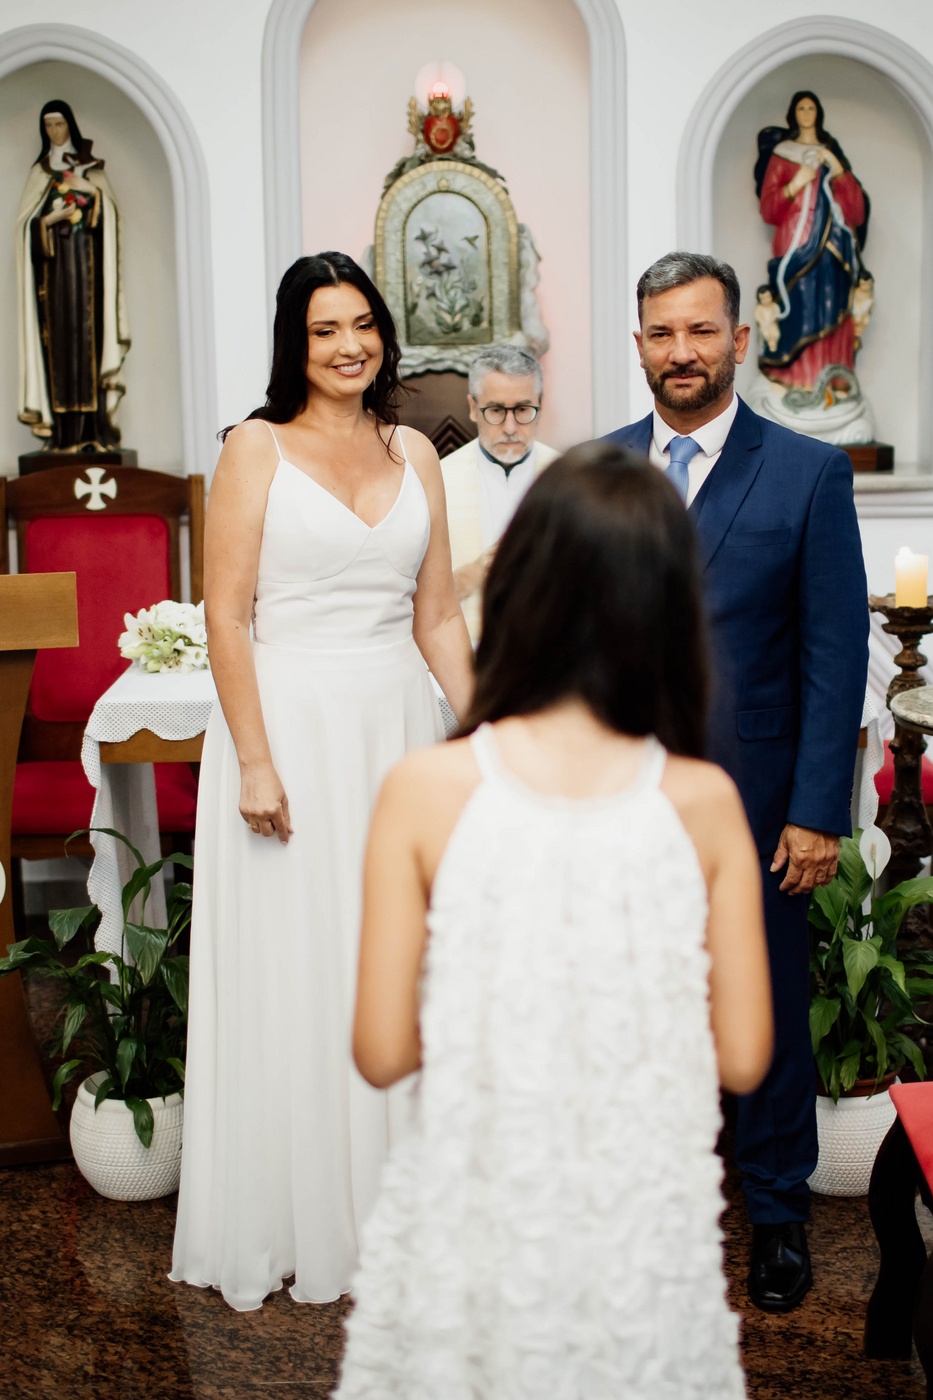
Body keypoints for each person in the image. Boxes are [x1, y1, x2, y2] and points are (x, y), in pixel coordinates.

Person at [335, 447, 772, 1397]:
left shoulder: (425, 788)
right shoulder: (702, 802)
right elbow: (742, 1057)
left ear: (520, 593)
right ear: (670, 614)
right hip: (636, 1227)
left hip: (478, 1216)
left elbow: (379, 1050)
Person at [169, 252, 474, 1311]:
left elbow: (437, 614)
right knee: (300, 963)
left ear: (384, 333)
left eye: (363, 325)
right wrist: (255, 758)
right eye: (324, 330)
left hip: (396, 728)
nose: (349, 347)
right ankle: (298, 1213)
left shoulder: (415, 450)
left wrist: (488, 730)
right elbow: (225, 614)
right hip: (290, 730)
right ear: (293, 345)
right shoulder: (253, 448)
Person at [604, 251, 869, 1312]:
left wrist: (816, 810)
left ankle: (775, 1211)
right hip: (618, 800)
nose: (682, 352)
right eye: (663, 333)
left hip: (756, 797)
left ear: (740, 340)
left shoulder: (807, 473)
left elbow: (833, 656)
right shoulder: (598, 469)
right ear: (638, 345)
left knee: (761, 1001)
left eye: (701, 330)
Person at [16, 99, 130, 450]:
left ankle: (94, 432)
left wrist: (90, 191)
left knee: (89, 345)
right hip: (53, 283)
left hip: (88, 279)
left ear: (70, 126)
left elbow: (111, 217)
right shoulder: (40, 174)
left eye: (60, 124)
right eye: (48, 126)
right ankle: (60, 435)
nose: (55, 131)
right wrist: (51, 219)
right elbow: (26, 228)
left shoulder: (90, 169)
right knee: (58, 349)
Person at [440, 344, 558, 642]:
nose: (510, 427)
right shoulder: (436, 480)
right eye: (495, 410)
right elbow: (414, 597)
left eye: (522, 410)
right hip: (467, 649)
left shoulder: (567, 478)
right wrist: (473, 573)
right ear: (473, 407)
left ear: (540, 405)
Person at [755, 91, 870, 391]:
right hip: (797, 240)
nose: (806, 113)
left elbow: (856, 211)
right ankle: (797, 379)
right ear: (794, 114)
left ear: (818, 112)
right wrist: (796, 183)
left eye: (811, 108)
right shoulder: (783, 154)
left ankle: (833, 378)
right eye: (801, 108)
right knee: (801, 303)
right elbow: (769, 209)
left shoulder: (830, 154)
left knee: (833, 303)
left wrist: (838, 170)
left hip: (833, 243)